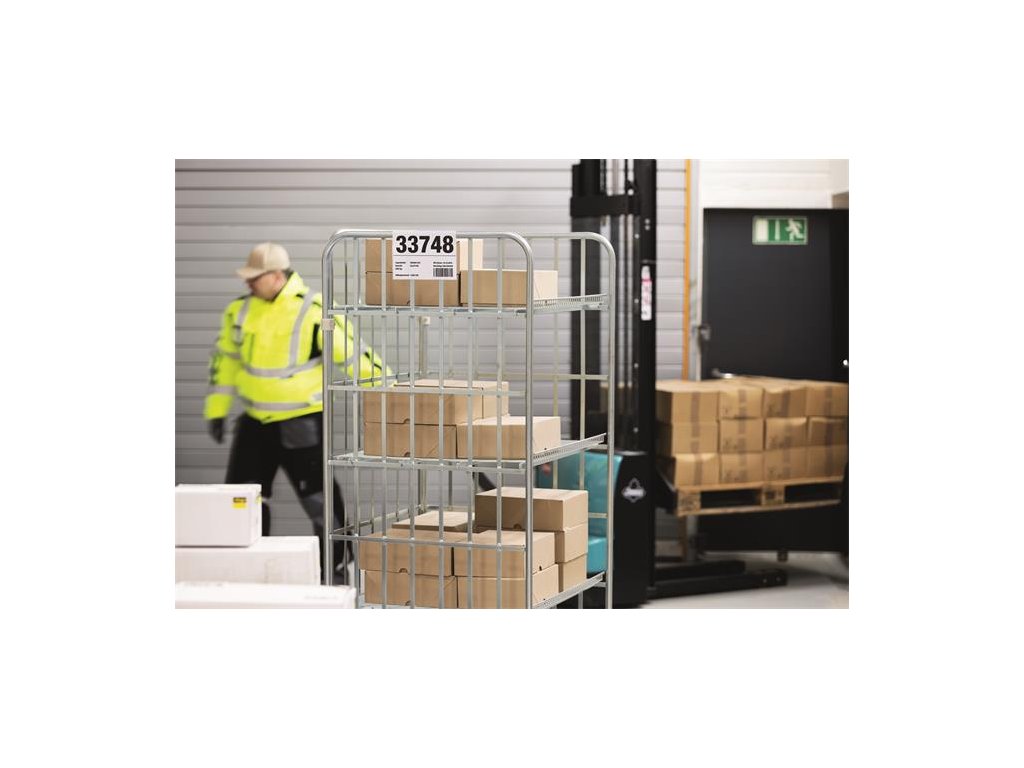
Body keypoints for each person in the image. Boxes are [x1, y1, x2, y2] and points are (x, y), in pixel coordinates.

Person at [204, 242, 386, 583]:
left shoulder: (313, 310)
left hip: (301, 423)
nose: (247, 283)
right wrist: (216, 410)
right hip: (254, 423)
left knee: (320, 502)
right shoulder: (239, 311)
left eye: (255, 277)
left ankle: (335, 570)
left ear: (276, 276)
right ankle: (247, 572)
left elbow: (355, 358)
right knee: (242, 501)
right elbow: (224, 362)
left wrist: (395, 398)